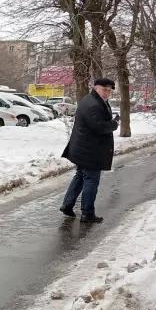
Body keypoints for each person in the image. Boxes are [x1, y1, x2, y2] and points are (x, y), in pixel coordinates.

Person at [59, 77, 120, 224]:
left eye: (109, 91)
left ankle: (67, 205)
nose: (107, 93)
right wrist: (114, 123)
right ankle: (87, 213)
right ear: (96, 87)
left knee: (80, 176)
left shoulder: (91, 100)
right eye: (104, 90)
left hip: (84, 148)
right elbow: (99, 127)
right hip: (90, 151)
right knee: (91, 181)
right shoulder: (93, 104)